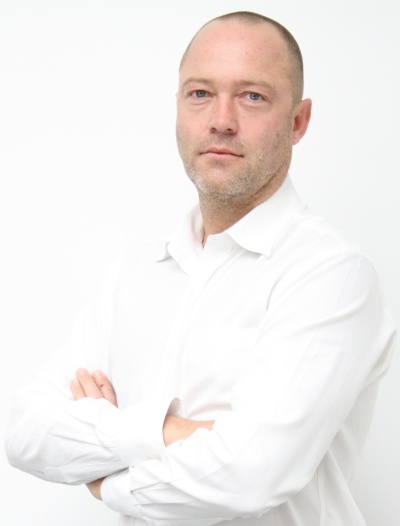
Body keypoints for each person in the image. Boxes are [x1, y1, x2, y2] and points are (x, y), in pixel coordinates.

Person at [5, 11, 396, 526]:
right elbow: (24, 431)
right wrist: (171, 431)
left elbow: (250, 475)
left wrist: (104, 475)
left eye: (252, 96)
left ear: (298, 121)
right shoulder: (134, 271)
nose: (221, 120)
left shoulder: (331, 275)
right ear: (178, 107)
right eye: (200, 93)